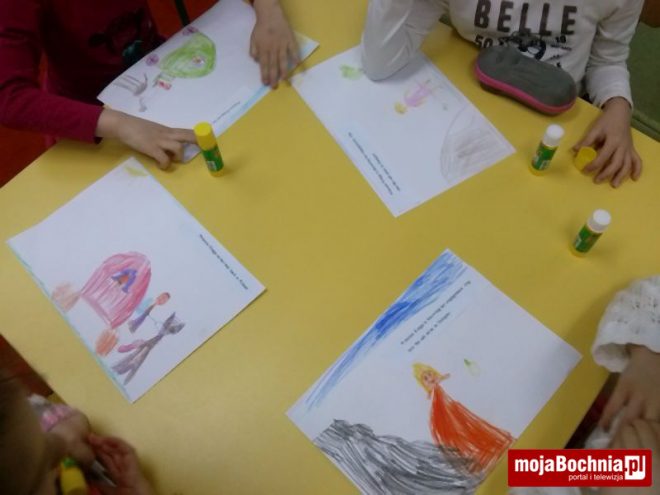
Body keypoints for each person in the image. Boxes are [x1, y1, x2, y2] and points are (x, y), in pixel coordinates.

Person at [361, 0, 644, 188]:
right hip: (468, 107)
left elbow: (608, 59)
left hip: (554, 124)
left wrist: (618, 106)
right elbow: (379, 63)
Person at [0, 0, 299, 170]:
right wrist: (120, 125)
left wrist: (269, 10)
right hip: (92, 123)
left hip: (161, 75)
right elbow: (8, 97)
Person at [0, 368, 152, 494]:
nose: (60, 444)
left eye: (44, 436)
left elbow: (43, 409)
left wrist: (69, 432)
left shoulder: (13, 415)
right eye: (46, 459)